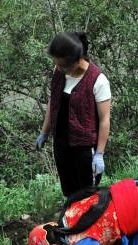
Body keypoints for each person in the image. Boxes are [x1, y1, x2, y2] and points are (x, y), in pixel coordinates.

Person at [35, 32, 112, 197]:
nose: (59, 69)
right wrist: (44, 131)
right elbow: (53, 102)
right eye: (57, 64)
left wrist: (99, 154)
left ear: (77, 61)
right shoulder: (59, 71)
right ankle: (71, 220)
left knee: (87, 194)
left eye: (62, 66)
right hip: (62, 144)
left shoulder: (98, 80)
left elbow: (105, 120)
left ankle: (88, 221)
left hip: (84, 149)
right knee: (69, 192)